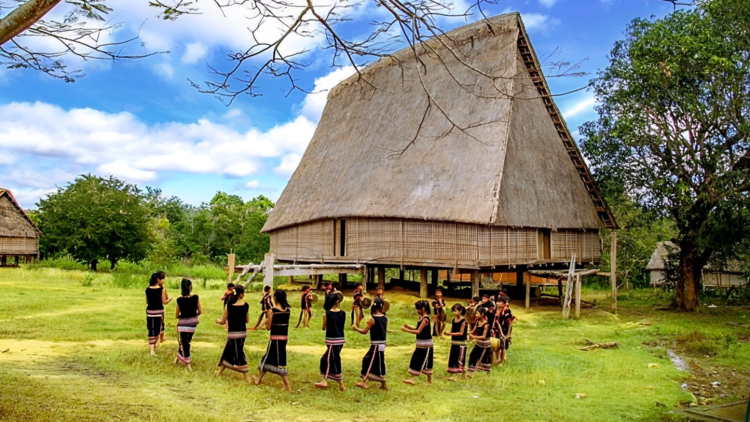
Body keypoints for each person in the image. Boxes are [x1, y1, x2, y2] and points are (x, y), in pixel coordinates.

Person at [254, 289, 292, 391]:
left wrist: (267, 321)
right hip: (284, 339)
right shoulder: (288, 311)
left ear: (275, 298)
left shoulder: (273, 311)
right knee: (267, 358)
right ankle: (258, 379)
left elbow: (268, 327)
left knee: (279, 362)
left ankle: (287, 386)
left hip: (275, 339)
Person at [215, 285, 251, 382]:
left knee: (239, 355)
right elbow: (247, 320)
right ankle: (219, 372)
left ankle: (247, 378)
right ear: (241, 294)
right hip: (243, 333)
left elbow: (223, 321)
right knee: (228, 351)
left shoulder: (229, 305)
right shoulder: (246, 305)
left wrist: (217, 321)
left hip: (233, 334)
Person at [351, 298, 388, 390]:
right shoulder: (385, 318)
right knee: (380, 363)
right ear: (382, 307)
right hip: (382, 344)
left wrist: (355, 328)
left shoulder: (373, 319)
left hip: (376, 345)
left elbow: (364, 331)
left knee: (367, 361)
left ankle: (366, 382)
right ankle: (383, 385)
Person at [315, 293, 347, 391]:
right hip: (340, 340)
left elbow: (324, 328)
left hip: (332, 340)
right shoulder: (343, 313)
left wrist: (325, 320)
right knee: (325, 359)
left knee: (331, 361)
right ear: (338, 301)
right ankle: (325, 379)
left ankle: (338, 384)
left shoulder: (327, 314)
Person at [401, 300, 433, 385]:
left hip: (426, 344)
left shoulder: (425, 319)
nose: (417, 311)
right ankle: (412, 378)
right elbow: (417, 328)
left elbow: (418, 331)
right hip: (420, 343)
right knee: (417, 359)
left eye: (418, 309)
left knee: (425, 361)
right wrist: (408, 327)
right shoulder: (420, 318)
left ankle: (428, 380)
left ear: (423, 308)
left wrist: (406, 330)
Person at [174, 278, 201, 370]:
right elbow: (199, 311)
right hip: (193, 324)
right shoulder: (195, 297)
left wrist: (184, 315)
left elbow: (177, 315)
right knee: (186, 341)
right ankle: (179, 358)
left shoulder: (179, 300)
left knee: (184, 342)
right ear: (190, 287)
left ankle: (186, 361)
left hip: (183, 324)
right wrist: (192, 314)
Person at [146, 271, 171, 355]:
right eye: (162, 279)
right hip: (158, 312)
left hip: (150, 312)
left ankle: (152, 348)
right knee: (158, 328)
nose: (163, 280)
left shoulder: (147, 289)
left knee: (151, 329)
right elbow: (164, 301)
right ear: (158, 280)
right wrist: (170, 299)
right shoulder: (161, 290)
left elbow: (147, 301)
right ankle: (153, 348)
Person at [444, 303, 468, 380]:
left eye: (455, 311)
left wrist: (450, 333)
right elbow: (452, 328)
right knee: (453, 358)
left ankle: (460, 375)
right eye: (453, 311)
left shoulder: (464, 321)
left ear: (460, 311)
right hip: (454, 342)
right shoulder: (454, 320)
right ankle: (454, 375)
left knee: (460, 359)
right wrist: (448, 333)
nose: (454, 313)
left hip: (461, 343)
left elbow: (461, 333)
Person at [467, 307, 492, 377]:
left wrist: (474, 337)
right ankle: (471, 373)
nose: (475, 314)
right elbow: (472, 331)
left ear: (482, 314)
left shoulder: (486, 325)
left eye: (477, 313)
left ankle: (488, 374)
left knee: (485, 359)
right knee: (472, 355)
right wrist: (464, 333)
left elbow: (484, 336)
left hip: (485, 345)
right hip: (478, 343)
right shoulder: (477, 322)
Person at [496, 297, 516, 365]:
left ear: (503, 304)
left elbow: (509, 323)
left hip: (504, 329)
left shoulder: (507, 311)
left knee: (502, 345)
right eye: (498, 301)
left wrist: (508, 334)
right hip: (497, 329)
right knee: (496, 344)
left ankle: (501, 360)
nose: (498, 303)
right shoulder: (495, 309)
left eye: (500, 302)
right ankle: (498, 358)